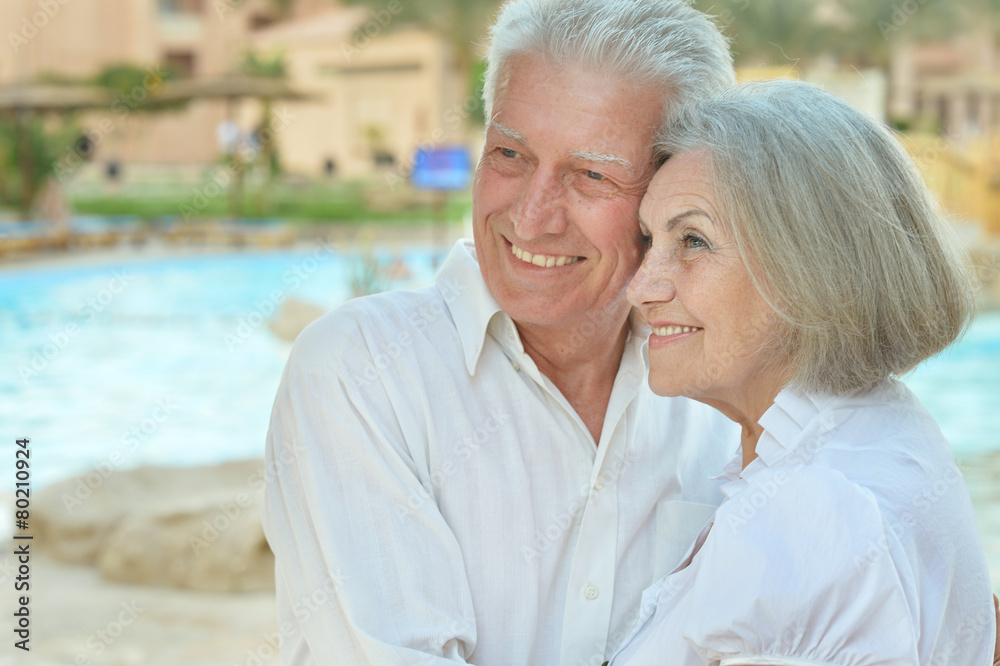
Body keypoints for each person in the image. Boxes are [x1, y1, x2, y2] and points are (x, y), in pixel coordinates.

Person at [262, 1, 739, 664]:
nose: (533, 215)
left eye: (591, 174)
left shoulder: (722, 403)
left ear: (678, 190)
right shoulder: (360, 373)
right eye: (510, 155)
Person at [612, 79, 997, 665]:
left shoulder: (810, 511)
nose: (641, 287)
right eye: (648, 240)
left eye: (693, 240)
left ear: (810, 264)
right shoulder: (877, 428)